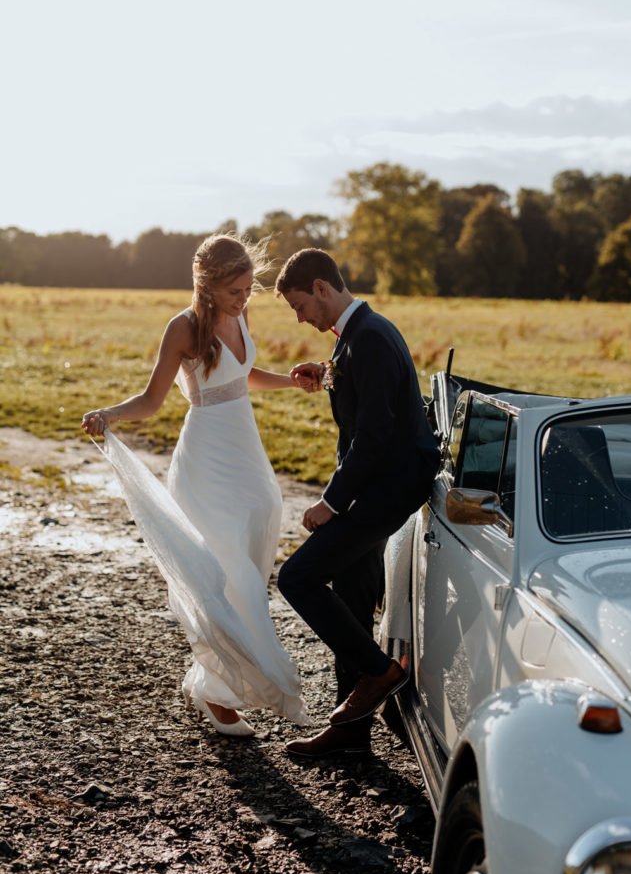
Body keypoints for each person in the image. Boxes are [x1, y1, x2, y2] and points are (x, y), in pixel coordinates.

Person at [82, 233, 312, 737]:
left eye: (249, 289)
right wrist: (109, 414)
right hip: (206, 461)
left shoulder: (241, 316)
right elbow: (151, 398)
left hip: (246, 453)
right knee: (223, 575)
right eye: (235, 291)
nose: (244, 299)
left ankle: (208, 680)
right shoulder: (183, 328)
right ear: (207, 285)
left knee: (259, 538)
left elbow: (242, 376)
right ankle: (217, 691)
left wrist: (293, 382)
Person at [275, 249, 440, 758]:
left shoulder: (368, 337)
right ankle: (351, 734)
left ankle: (380, 672)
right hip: (378, 484)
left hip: (385, 489)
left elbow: (373, 435)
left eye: (300, 305)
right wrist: (326, 374)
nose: (301, 317)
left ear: (322, 287)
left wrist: (331, 502)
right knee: (350, 592)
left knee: (297, 578)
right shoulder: (358, 337)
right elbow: (367, 391)